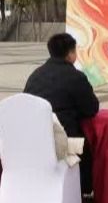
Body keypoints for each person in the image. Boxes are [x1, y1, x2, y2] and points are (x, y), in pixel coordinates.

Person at [24, 33, 100, 195]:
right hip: (64, 143)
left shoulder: (34, 76)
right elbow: (91, 108)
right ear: (70, 54)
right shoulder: (76, 77)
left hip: (34, 141)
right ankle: (84, 193)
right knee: (87, 152)